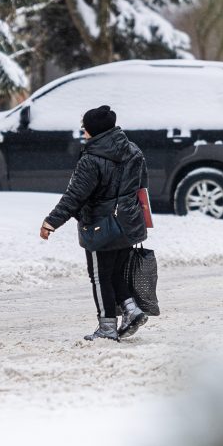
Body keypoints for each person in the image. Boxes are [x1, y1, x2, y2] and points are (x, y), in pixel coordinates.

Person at [39, 105, 149, 342]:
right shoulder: (133, 150)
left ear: (94, 131)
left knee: (100, 277)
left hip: (102, 226)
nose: (83, 132)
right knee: (116, 272)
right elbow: (141, 187)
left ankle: (107, 328)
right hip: (127, 222)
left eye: (85, 128)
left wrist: (51, 222)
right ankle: (131, 310)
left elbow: (76, 195)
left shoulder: (92, 159)